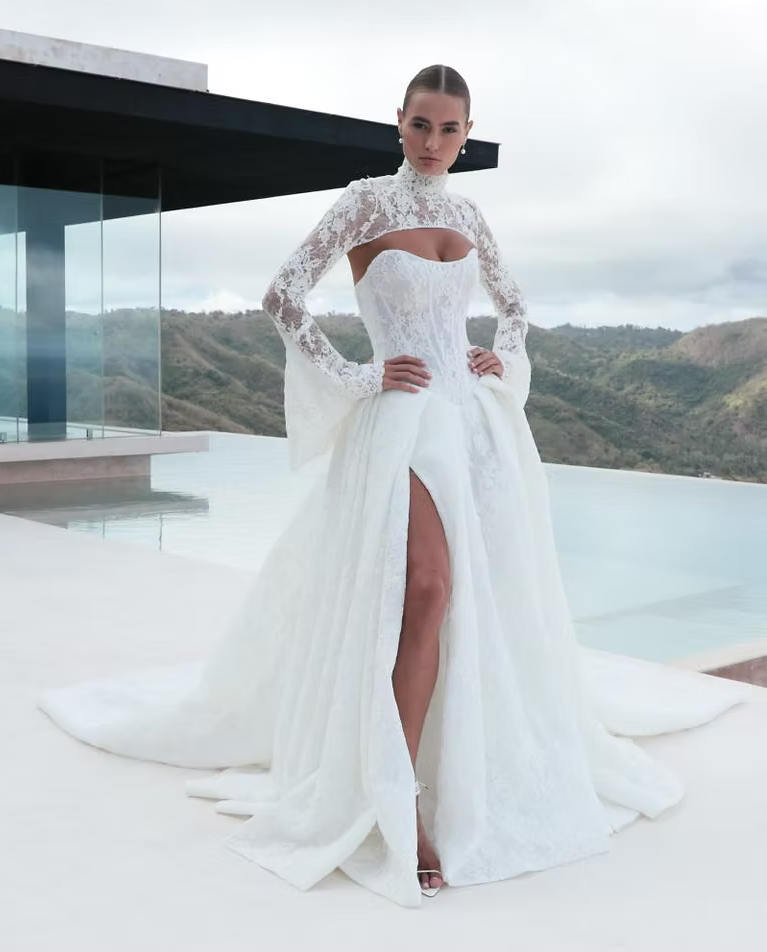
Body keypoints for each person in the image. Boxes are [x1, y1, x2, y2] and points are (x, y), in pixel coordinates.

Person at [40, 64, 746, 907]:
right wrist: (359, 375)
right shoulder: (366, 201)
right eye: (422, 125)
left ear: (465, 131)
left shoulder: (467, 212)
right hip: (404, 423)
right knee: (428, 589)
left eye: (451, 130)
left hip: (473, 426)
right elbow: (283, 293)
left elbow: (515, 306)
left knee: (477, 600)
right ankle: (395, 799)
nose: (435, 143)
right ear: (398, 122)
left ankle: (456, 767)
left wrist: (498, 354)